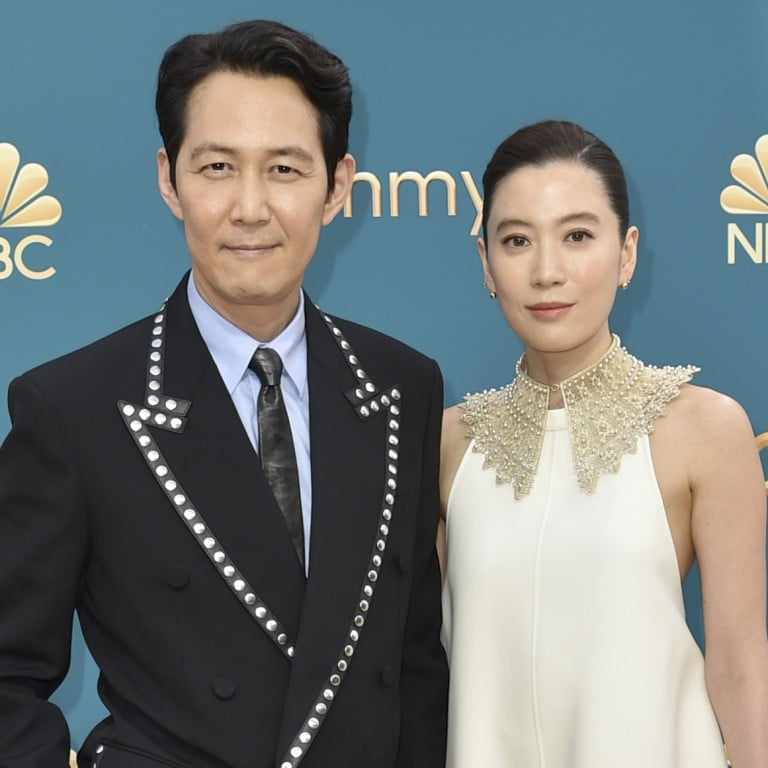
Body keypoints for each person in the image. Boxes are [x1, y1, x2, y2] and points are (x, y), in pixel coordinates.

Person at [0, 19, 448, 768]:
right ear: (167, 180)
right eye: (215, 168)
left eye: (284, 169)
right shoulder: (74, 409)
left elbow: (414, 673)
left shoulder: (401, 387)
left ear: (337, 187)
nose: (249, 208)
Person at [439, 119, 768, 767]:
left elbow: (739, 665)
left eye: (578, 236)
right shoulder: (447, 442)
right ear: (485, 263)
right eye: (516, 240)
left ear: (626, 254)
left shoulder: (704, 429)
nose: (546, 270)